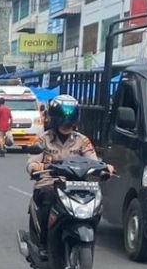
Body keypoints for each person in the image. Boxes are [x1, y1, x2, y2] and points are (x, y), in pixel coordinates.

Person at [27, 94, 108, 249]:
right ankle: (43, 243)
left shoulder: (82, 140)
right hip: (50, 184)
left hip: (78, 186)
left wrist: (104, 168)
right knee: (48, 200)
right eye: (62, 119)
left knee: (97, 203)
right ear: (54, 119)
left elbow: (93, 160)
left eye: (70, 119)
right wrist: (35, 166)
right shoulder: (42, 139)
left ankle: (89, 235)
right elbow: (32, 161)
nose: (66, 123)